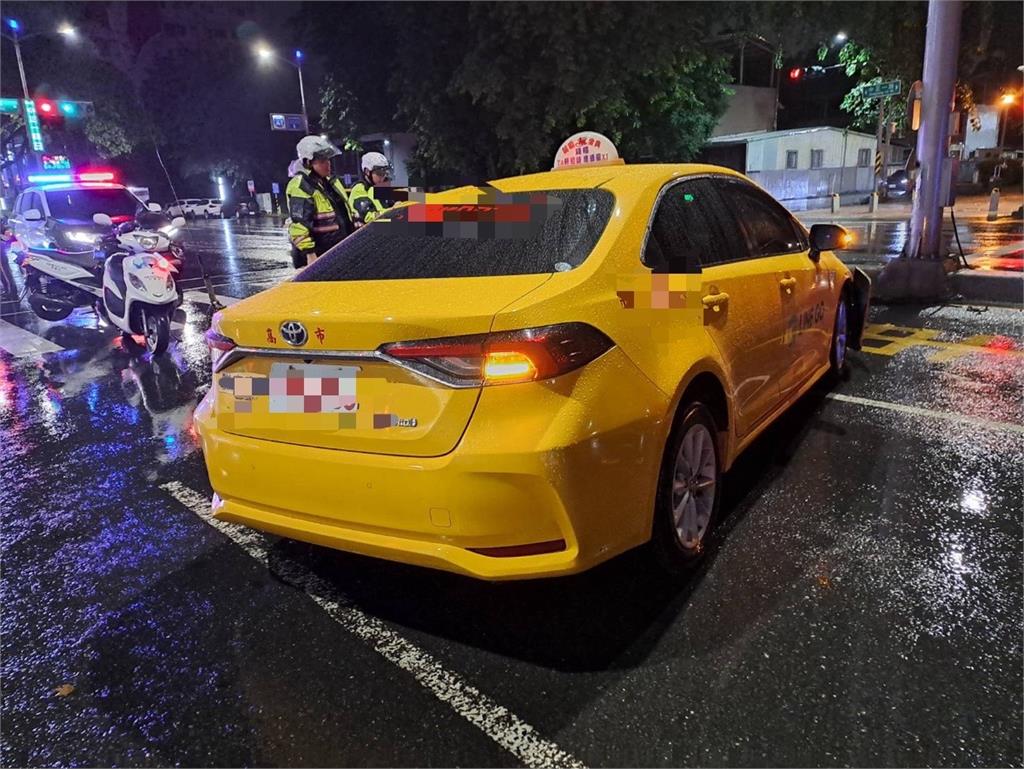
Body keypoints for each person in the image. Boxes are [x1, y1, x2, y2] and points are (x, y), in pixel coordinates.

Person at [285, 135, 354, 268]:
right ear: (308, 162)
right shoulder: (302, 186)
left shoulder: (330, 182)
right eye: (322, 160)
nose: (328, 163)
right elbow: (299, 226)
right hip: (320, 257)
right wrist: (310, 254)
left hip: (338, 252)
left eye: (328, 159)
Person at [348, 151, 393, 228]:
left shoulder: (380, 188)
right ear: (367, 172)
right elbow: (368, 216)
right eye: (379, 173)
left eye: (385, 172)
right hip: (367, 235)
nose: (383, 176)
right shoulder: (360, 189)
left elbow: (391, 204)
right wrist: (393, 211)